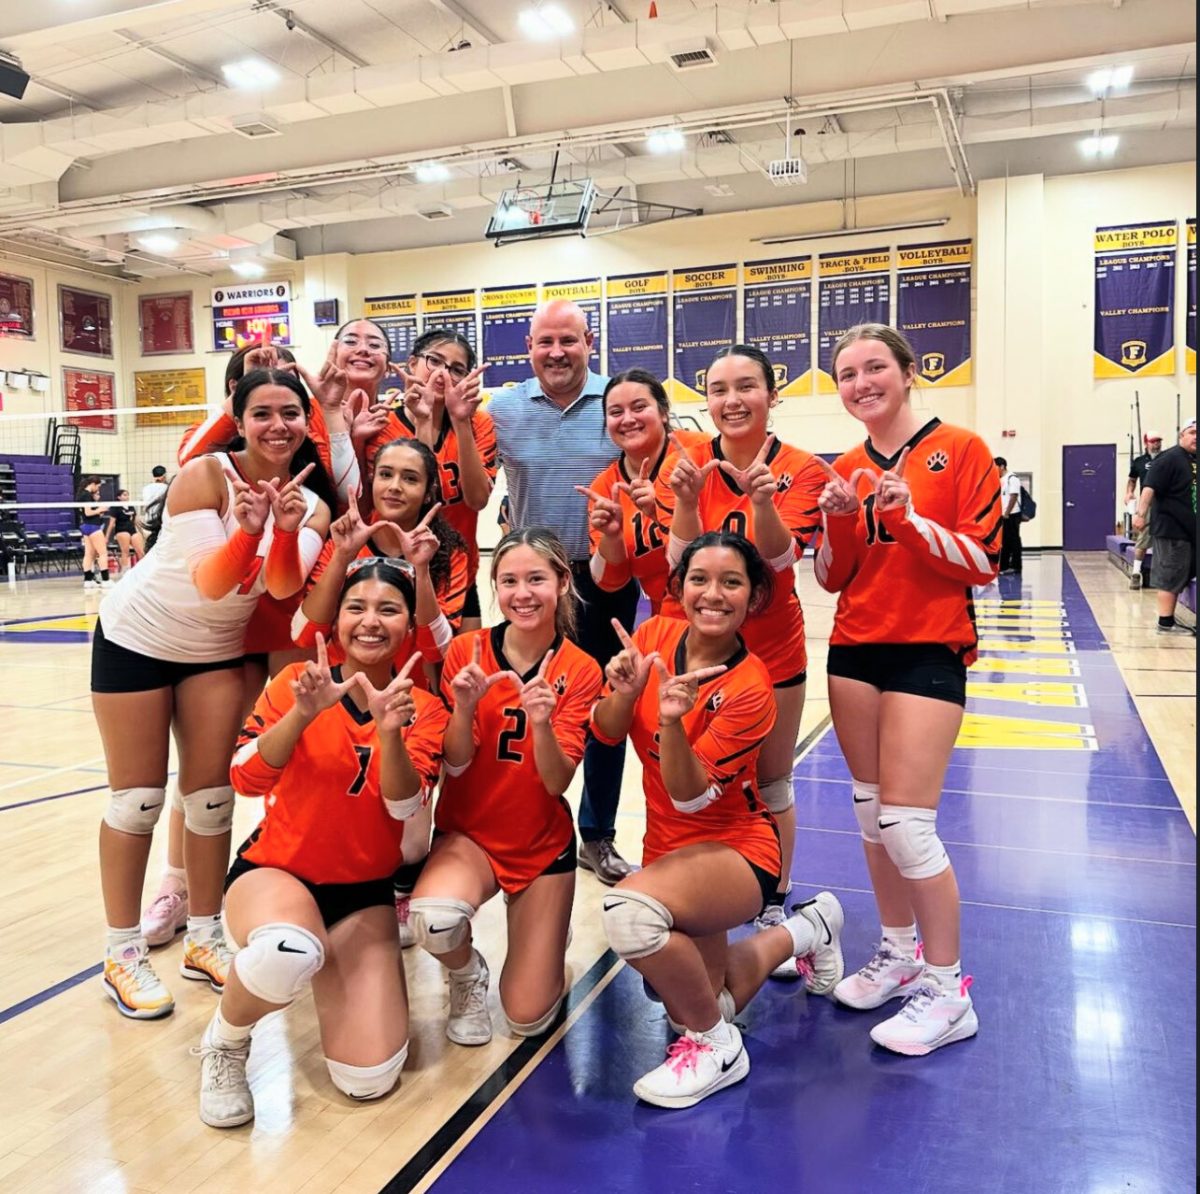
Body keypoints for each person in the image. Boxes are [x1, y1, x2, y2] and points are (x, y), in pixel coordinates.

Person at [92, 368, 333, 1020]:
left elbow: (280, 589)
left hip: (213, 653)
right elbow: (211, 581)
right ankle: (122, 954)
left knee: (211, 797)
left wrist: (281, 530)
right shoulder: (205, 475)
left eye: (290, 412)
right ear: (240, 418)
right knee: (138, 799)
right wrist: (250, 527)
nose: (277, 425)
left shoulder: (313, 503)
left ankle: (204, 937)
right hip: (136, 637)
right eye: (263, 413)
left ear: (307, 420)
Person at [592, 532, 844, 1108]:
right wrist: (627, 693)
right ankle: (811, 928)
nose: (713, 594)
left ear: (754, 598)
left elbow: (689, 798)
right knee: (709, 998)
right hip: (670, 856)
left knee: (632, 920)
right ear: (677, 587)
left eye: (731, 582)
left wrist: (674, 722)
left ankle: (717, 1049)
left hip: (737, 852)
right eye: (699, 579)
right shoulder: (653, 637)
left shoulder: (752, 687)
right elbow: (605, 732)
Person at [194, 559, 448, 1128]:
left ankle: (326, 963)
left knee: (370, 1078)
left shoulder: (423, 710)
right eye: (356, 608)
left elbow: (404, 808)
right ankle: (226, 1042)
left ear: (409, 624)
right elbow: (243, 777)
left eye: (388, 609)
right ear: (335, 620)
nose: (370, 622)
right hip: (277, 873)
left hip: (361, 891)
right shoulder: (294, 685)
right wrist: (304, 715)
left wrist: (390, 733)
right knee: (285, 949)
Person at [815, 323, 1000, 1055]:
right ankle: (898, 954)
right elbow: (834, 575)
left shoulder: (963, 448)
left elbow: (981, 560)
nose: (860, 383)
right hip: (855, 648)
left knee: (907, 824)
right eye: (846, 374)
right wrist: (837, 524)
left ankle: (949, 988)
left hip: (928, 649)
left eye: (873, 368)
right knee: (869, 813)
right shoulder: (848, 464)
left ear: (909, 370)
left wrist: (907, 518)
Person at [408, 528, 601, 1046]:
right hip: (469, 836)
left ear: (562, 582)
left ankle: (545, 944)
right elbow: (456, 760)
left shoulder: (580, 670)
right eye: (509, 580)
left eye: (536, 579)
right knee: (434, 920)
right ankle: (467, 973)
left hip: (540, 845)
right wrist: (465, 705)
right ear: (495, 586)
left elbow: (559, 778)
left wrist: (542, 722)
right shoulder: (468, 652)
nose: (523, 593)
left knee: (527, 1018)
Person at [664, 345, 825, 959]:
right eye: (719, 389)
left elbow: (781, 565)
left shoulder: (804, 468)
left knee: (770, 781)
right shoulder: (685, 462)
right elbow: (680, 568)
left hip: (773, 656)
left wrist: (761, 502)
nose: (732, 400)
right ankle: (708, 894)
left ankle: (774, 902)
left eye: (747, 386)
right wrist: (682, 501)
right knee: (698, 779)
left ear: (771, 395)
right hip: (697, 655)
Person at [487, 300, 637, 885]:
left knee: (605, 711)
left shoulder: (617, 403)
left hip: (603, 579)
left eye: (568, 341)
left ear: (589, 341)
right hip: (529, 581)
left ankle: (597, 836)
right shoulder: (502, 408)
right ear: (529, 346)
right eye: (546, 342)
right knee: (525, 713)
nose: (556, 353)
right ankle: (522, 825)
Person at [359, 329, 495, 633]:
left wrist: (460, 421)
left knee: (456, 668)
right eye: (434, 361)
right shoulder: (383, 424)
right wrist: (423, 421)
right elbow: (408, 501)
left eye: (457, 369)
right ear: (411, 364)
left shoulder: (478, 423)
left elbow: (477, 500)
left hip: (456, 567)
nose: (444, 374)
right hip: (391, 562)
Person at [578, 369, 708, 618]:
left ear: (663, 412)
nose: (627, 419)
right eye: (616, 412)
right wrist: (611, 537)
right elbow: (609, 582)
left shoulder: (699, 452)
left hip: (726, 610)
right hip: (668, 616)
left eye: (639, 407)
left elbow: (730, 540)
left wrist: (663, 510)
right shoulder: (605, 487)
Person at [1133, 419, 1196, 634]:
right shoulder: (1169, 459)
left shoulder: (1192, 460)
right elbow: (1149, 487)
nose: (1196, 437)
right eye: (1192, 432)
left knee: (1183, 573)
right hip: (1172, 529)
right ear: (1181, 436)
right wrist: (1140, 514)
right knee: (1170, 574)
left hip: (1190, 531)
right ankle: (1165, 622)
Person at [1126, 432, 1164, 590]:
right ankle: (1136, 573)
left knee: (1165, 538)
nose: (1156, 444)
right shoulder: (1139, 462)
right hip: (1146, 503)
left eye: (1158, 441)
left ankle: (1163, 574)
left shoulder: (1167, 458)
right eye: (1153, 441)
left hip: (1165, 502)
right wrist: (1128, 492)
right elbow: (1132, 480)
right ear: (1146, 443)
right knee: (1143, 538)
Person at [78, 476, 112, 591]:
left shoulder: (82, 494)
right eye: (97, 486)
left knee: (89, 554)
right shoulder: (86, 495)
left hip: (86, 527)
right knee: (102, 553)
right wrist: (101, 509)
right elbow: (88, 513)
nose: (98, 488)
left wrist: (98, 511)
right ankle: (106, 580)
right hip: (93, 527)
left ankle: (88, 581)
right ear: (93, 484)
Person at [995, 456, 1022, 575]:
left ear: (1002, 466)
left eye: (996, 468)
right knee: (1005, 541)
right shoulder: (1001, 479)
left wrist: (1006, 513)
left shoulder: (1012, 478)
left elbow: (1013, 496)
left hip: (1011, 515)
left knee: (1013, 541)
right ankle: (1004, 565)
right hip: (1004, 515)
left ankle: (1015, 566)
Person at [107, 489, 143, 573]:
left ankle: (143, 570)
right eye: (124, 495)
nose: (127, 496)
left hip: (132, 529)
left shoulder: (131, 506)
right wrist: (107, 537)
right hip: (121, 530)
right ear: (119, 497)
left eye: (127, 495)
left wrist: (142, 531)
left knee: (140, 551)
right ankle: (125, 571)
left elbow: (135, 521)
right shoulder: (115, 507)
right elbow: (111, 523)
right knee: (125, 551)